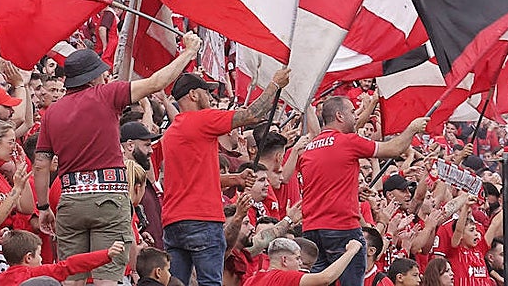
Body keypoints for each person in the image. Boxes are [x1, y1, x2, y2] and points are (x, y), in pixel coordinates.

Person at [34, 33, 203, 286]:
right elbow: (157, 82)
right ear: (93, 77)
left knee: (71, 279)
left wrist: (44, 206)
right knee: (107, 279)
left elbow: (40, 163)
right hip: (108, 201)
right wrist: (188, 53)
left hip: (69, 203)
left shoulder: (52, 113)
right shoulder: (106, 94)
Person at [162, 67, 292, 286]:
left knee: (176, 283)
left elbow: (194, 180)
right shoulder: (201, 119)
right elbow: (252, 115)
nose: (211, 97)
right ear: (193, 95)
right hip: (202, 219)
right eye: (206, 91)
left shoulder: (173, 132)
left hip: (174, 222)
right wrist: (275, 84)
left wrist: (236, 179)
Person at [299, 96, 428, 286]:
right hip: (341, 228)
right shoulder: (347, 142)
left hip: (311, 228)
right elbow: (394, 149)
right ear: (339, 116)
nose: (355, 117)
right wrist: (412, 129)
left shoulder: (310, 148)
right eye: (352, 112)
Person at [0, 231, 126, 286]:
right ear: (28, 258)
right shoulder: (34, 274)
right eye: (39, 254)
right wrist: (106, 254)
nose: (41, 259)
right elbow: (69, 265)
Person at [247, 237, 364, 286]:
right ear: (284, 260)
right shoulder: (284, 277)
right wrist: (351, 251)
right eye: (297, 258)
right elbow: (325, 278)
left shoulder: (251, 280)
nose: (300, 263)